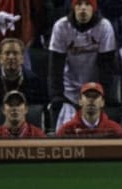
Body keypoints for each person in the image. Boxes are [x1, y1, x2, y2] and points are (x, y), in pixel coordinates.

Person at [48, 0, 118, 132]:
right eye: (79, 4)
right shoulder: (61, 26)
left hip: (94, 91)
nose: (83, 9)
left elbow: (107, 68)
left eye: (88, 4)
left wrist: (104, 96)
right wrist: (56, 96)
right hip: (68, 92)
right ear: (73, 7)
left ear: (94, 8)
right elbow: (55, 67)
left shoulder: (104, 27)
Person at [0, 38, 46, 105]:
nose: (11, 57)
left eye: (15, 53)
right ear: (0, 58)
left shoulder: (34, 81)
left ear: (22, 58)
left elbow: (37, 108)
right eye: (7, 53)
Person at [56, 81, 122, 138]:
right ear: (80, 101)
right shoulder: (66, 130)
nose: (91, 100)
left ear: (102, 102)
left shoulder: (114, 130)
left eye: (95, 96)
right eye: (87, 96)